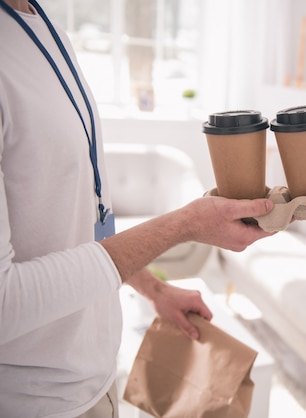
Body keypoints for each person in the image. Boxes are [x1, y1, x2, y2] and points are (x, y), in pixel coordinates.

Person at [0, 0, 275, 416]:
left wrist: (154, 288)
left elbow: (81, 221)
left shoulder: (48, 31)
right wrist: (185, 224)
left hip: (96, 381)